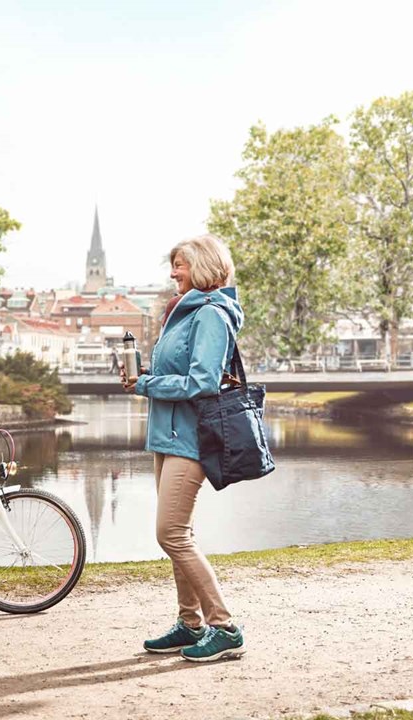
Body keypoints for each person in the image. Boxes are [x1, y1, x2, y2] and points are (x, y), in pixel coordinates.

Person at [121, 234, 246, 662]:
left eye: (181, 265)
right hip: (167, 435)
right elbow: (182, 371)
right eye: (173, 265)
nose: (173, 273)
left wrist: (148, 384)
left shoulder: (211, 313)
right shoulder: (184, 311)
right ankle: (190, 624)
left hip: (190, 439)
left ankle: (224, 627)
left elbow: (203, 382)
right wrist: (146, 376)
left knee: (170, 534)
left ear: (206, 267)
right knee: (180, 534)